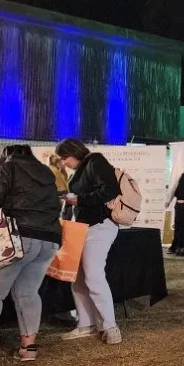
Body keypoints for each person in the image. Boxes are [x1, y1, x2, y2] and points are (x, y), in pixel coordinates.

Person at [0, 145, 62, 364]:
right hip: (48, 240)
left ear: (6, 155)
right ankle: (29, 349)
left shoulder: (8, 168)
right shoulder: (47, 173)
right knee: (28, 292)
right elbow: (56, 207)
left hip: (18, 237)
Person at [55, 138, 123, 345]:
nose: (63, 163)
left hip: (99, 225)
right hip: (82, 228)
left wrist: (79, 199)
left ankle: (110, 326)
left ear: (74, 152)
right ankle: (86, 324)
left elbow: (110, 189)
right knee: (78, 277)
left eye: (64, 157)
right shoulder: (82, 169)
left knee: (93, 275)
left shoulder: (95, 161)